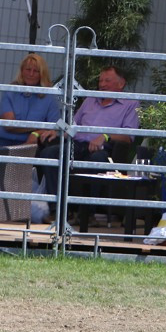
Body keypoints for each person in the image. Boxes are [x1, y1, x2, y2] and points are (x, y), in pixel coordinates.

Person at [38, 65, 140, 221]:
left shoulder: (130, 104)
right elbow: (72, 124)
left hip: (105, 148)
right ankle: (57, 210)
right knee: (49, 154)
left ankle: (88, 213)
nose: (102, 84)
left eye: (107, 80)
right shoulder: (90, 99)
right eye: (100, 81)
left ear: (121, 84)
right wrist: (56, 130)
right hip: (77, 145)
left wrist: (105, 136)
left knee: (96, 160)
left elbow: (129, 136)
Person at [0, 53, 60, 147]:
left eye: (36, 71)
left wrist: (36, 133)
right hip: (3, 141)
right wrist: (39, 126)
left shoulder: (49, 97)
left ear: (42, 74)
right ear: (22, 71)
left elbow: (55, 127)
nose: (31, 74)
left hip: (32, 145)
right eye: (28, 69)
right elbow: (9, 125)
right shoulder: (9, 91)